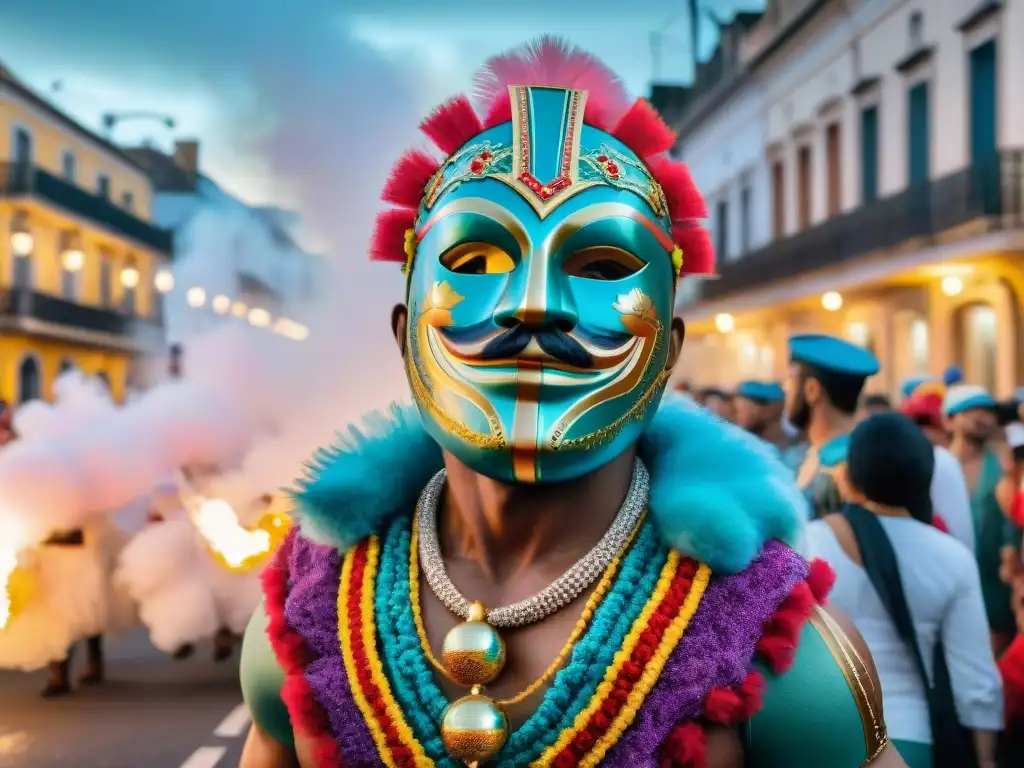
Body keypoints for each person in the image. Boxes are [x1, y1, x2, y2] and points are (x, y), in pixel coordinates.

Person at [237, 37, 904, 768]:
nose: (534, 304)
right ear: (403, 333)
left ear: (669, 350)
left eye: (602, 267)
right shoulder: (308, 612)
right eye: (475, 260)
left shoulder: (781, 659)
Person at [805, 413, 1002, 768]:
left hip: (820, 735)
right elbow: (975, 679)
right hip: (910, 739)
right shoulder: (952, 557)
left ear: (850, 475)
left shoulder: (808, 542)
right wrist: (986, 759)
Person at [944, 385, 1023, 656]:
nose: (982, 417)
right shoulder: (935, 466)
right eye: (971, 410)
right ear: (950, 418)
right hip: (948, 589)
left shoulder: (1004, 466)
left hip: (996, 592)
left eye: (988, 411)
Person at [785, 334, 880, 519]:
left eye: (790, 379)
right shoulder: (814, 456)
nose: (785, 388)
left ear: (812, 390)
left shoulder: (844, 469)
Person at [899, 382, 975, 551]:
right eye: (918, 422)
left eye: (928, 422)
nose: (923, 430)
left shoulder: (943, 459)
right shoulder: (939, 459)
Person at [734, 380, 792, 453]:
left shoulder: (797, 451)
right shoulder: (739, 447)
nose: (738, 416)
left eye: (743, 409)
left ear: (773, 407)